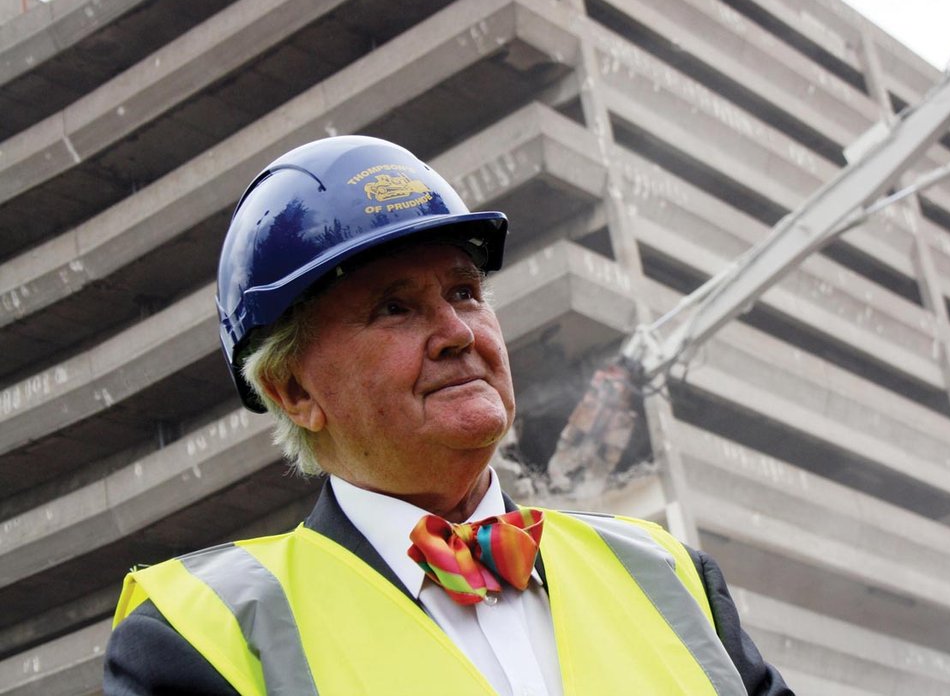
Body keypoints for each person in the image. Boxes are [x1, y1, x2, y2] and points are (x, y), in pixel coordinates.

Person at [103, 135, 792, 695]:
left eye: (464, 292)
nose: (457, 332)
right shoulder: (198, 635)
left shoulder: (668, 574)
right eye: (395, 308)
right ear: (292, 391)